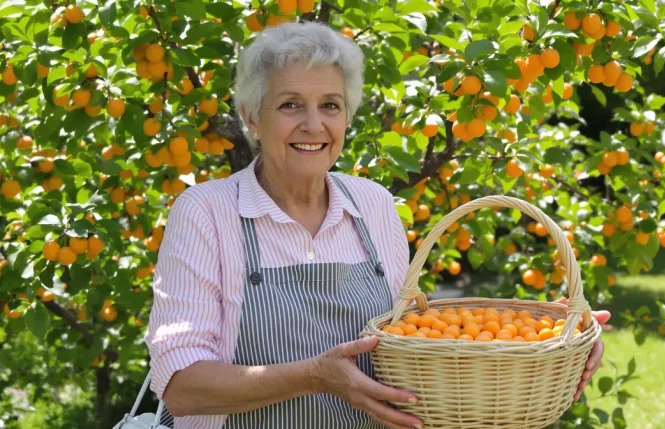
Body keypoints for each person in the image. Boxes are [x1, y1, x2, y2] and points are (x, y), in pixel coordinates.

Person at [145, 21, 609, 429]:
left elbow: (407, 343)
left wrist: (544, 341)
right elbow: (183, 387)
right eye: (290, 105)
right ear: (251, 116)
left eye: (330, 105)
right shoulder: (207, 212)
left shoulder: (373, 205)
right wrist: (313, 376)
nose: (313, 124)